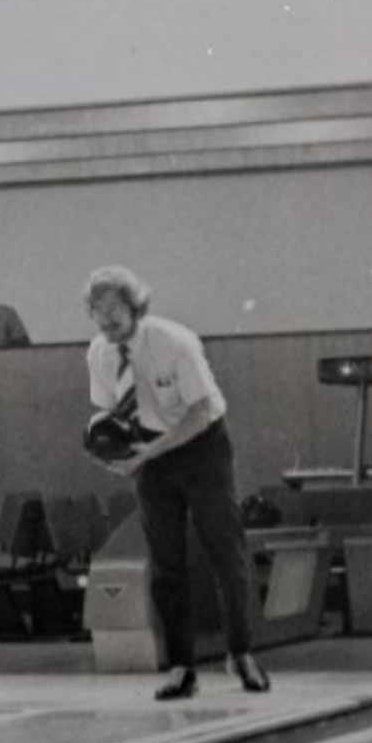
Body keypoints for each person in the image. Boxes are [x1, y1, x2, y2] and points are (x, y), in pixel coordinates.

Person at [84, 266, 269, 700]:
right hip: (152, 456)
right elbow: (109, 416)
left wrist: (149, 452)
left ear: (136, 308)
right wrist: (116, 454)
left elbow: (202, 411)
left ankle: (241, 654)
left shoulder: (174, 341)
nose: (107, 319)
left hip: (201, 447)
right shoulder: (98, 353)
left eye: (115, 309)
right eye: (98, 311)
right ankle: (182, 667)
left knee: (226, 553)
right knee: (166, 564)